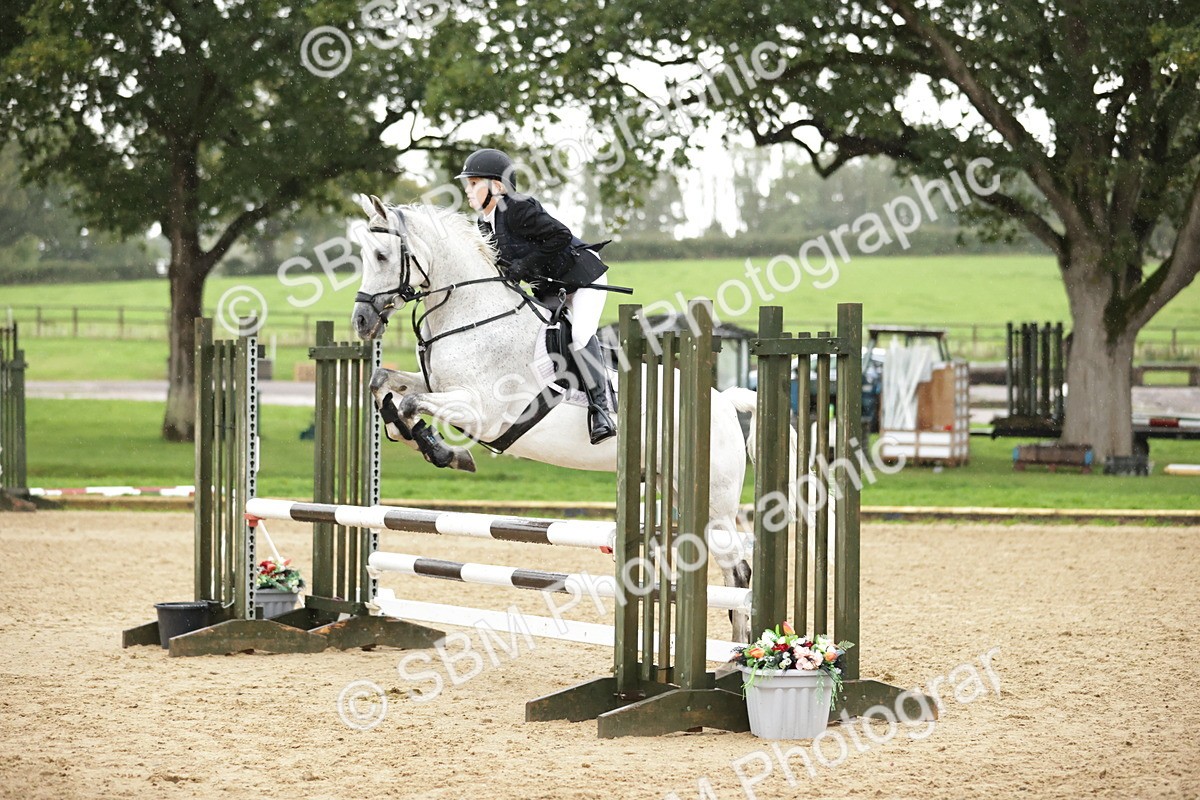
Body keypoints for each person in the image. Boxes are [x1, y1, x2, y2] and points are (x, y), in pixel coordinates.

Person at [456, 148, 616, 444]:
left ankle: (601, 409)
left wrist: (523, 266)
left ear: (498, 187)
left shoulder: (516, 207)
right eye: (468, 183)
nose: (467, 190)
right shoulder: (483, 225)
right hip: (550, 288)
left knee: (580, 335)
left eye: (474, 182)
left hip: (582, 279)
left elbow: (561, 236)